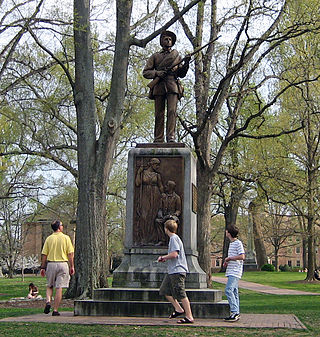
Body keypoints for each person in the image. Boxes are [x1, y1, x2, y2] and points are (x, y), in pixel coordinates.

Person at [143, 30, 190, 143]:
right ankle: (158, 138)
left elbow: (181, 74)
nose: (168, 41)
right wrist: (157, 73)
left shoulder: (176, 56)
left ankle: (171, 137)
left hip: (172, 85)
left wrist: (187, 63)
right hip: (159, 86)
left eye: (170, 39)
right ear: (161, 41)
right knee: (159, 114)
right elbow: (146, 72)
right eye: (166, 38)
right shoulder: (155, 56)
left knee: (172, 112)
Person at [157, 219, 194, 324]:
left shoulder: (174, 238)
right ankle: (178, 309)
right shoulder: (173, 239)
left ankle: (189, 316)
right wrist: (166, 258)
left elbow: (175, 254)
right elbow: (173, 255)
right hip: (172, 271)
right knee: (164, 290)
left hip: (178, 270)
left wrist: (162, 257)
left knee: (181, 293)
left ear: (166, 229)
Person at [40, 220, 74, 316]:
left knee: (49, 285)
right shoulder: (66, 238)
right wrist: (72, 266)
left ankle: (48, 301)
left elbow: (44, 254)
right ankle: (55, 310)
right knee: (59, 287)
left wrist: (43, 267)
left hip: (51, 264)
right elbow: (70, 253)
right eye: (62, 225)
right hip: (63, 264)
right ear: (59, 227)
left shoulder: (49, 239)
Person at [134, 157, 164, 246]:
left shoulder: (157, 175)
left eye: (159, 165)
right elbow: (137, 183)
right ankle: (143, 239)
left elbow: (161, 186)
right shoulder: (143, 173)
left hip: (155, 195)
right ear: (151, 164)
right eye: (156, 164)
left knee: (152, 217)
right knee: (144, 216)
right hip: (145, 195)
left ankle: (152, 239)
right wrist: (139, 172)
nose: (158, 167)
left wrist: (163, 195)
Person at [223, 225, 245, 322]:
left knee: (228, 290)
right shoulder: (231, 244)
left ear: (229, 233)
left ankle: (234, 311)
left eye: (226, 231)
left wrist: (230, 258)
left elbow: (242, 256)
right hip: (231, 270)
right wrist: (227, 262)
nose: (225, 232)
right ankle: (236, 312)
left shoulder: (238, 243)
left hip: (235, 271)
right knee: (234, 292)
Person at [155, 180, 182, 246]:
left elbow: (178, 210)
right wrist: (160, 215)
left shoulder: (177, 198)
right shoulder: (163, 197)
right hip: (164, 216)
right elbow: (160, 208)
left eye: (167, 185)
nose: (165, 187)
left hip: (172, 216)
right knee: (158, 221)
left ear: (170, 187)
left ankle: (172, 240)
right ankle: (162, 240)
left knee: (171, 222)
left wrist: (175, 214)